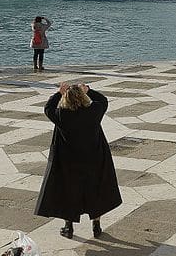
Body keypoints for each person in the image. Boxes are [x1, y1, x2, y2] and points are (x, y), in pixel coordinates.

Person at [35, 82, 122, 240]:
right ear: (83, 96)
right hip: (93, 158)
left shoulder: (62, 115)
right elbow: (103, 100)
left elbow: (48, 108)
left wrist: (59, 93)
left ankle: (68, 227)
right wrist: (88, 90)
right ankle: (96, 225)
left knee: (69, 191)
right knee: (95, 190)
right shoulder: (94, 111)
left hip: (69, 161)